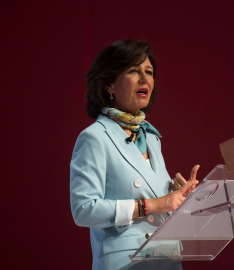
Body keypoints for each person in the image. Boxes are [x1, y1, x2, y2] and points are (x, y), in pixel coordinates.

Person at [70, 39, 200, 270]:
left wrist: (178, 195)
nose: (144, 79)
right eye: (133, 71)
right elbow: (83, 210)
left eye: (148, 72)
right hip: (126, 263)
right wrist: (150, 205)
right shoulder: (94, 137)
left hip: (165, 258)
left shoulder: (151, 137)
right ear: (109, 84)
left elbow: (158, 199)